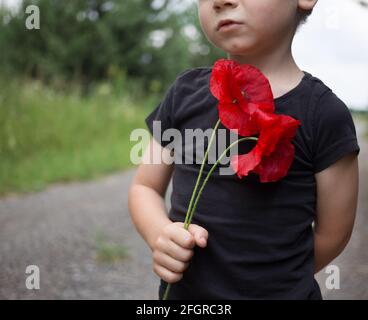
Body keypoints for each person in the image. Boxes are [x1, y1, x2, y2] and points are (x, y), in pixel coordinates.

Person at [128, 0, 361, 299]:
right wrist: (159, 233)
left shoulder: (324, 114)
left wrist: (275, 278)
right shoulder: (184, 94)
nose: (221, 1)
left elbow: (333, 233)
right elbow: (144, 187)